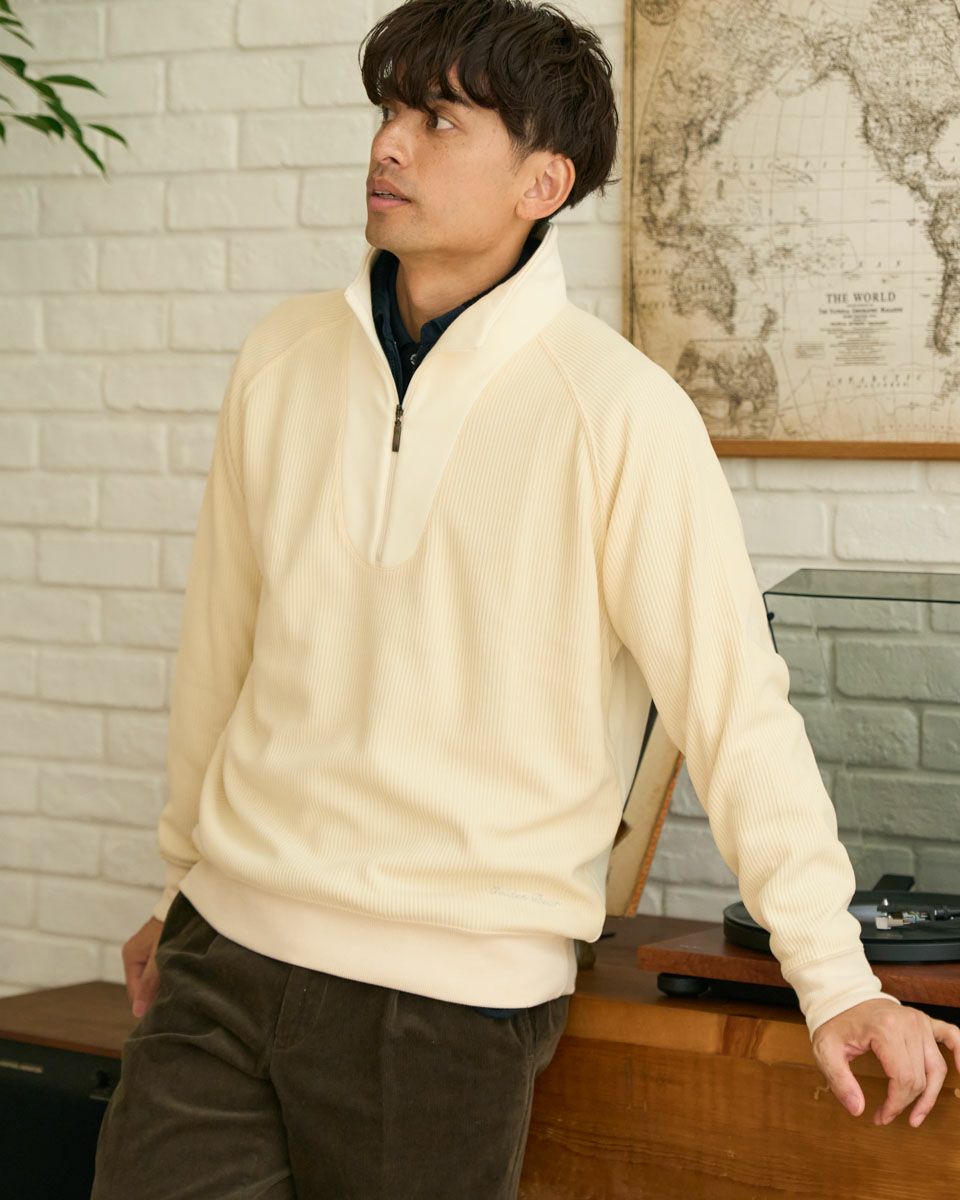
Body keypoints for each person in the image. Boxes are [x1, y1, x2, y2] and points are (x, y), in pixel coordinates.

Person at [91, 1, 960, 1197]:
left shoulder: (622, 413)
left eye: (439, 119)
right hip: (221, 953)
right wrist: (179, 881)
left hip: (447, 1006)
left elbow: (732, 708)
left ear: (542, 182)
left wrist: (836, 976)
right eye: (390, 111)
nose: (390, 144)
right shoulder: (280, 360)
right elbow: (219, 651)